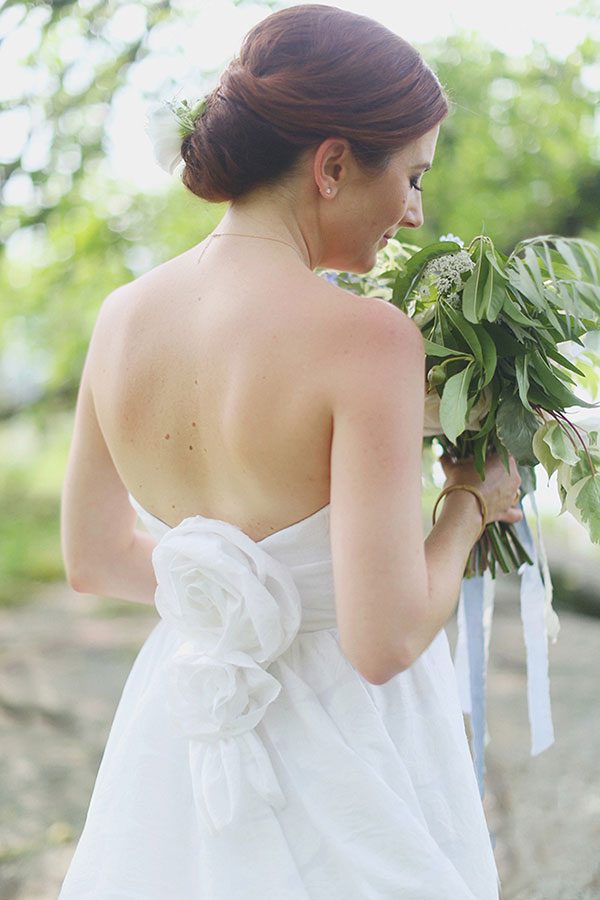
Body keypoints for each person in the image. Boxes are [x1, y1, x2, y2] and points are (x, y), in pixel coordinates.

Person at [59, 5, 522, 898]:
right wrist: (471, 502)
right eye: (414, 177)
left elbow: (95, 559)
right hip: (350, 741)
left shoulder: (122, 318)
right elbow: (381, 640)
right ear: (335, 164)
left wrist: (238, 595)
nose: (417, 215)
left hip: (181, 726)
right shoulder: (367, 339)